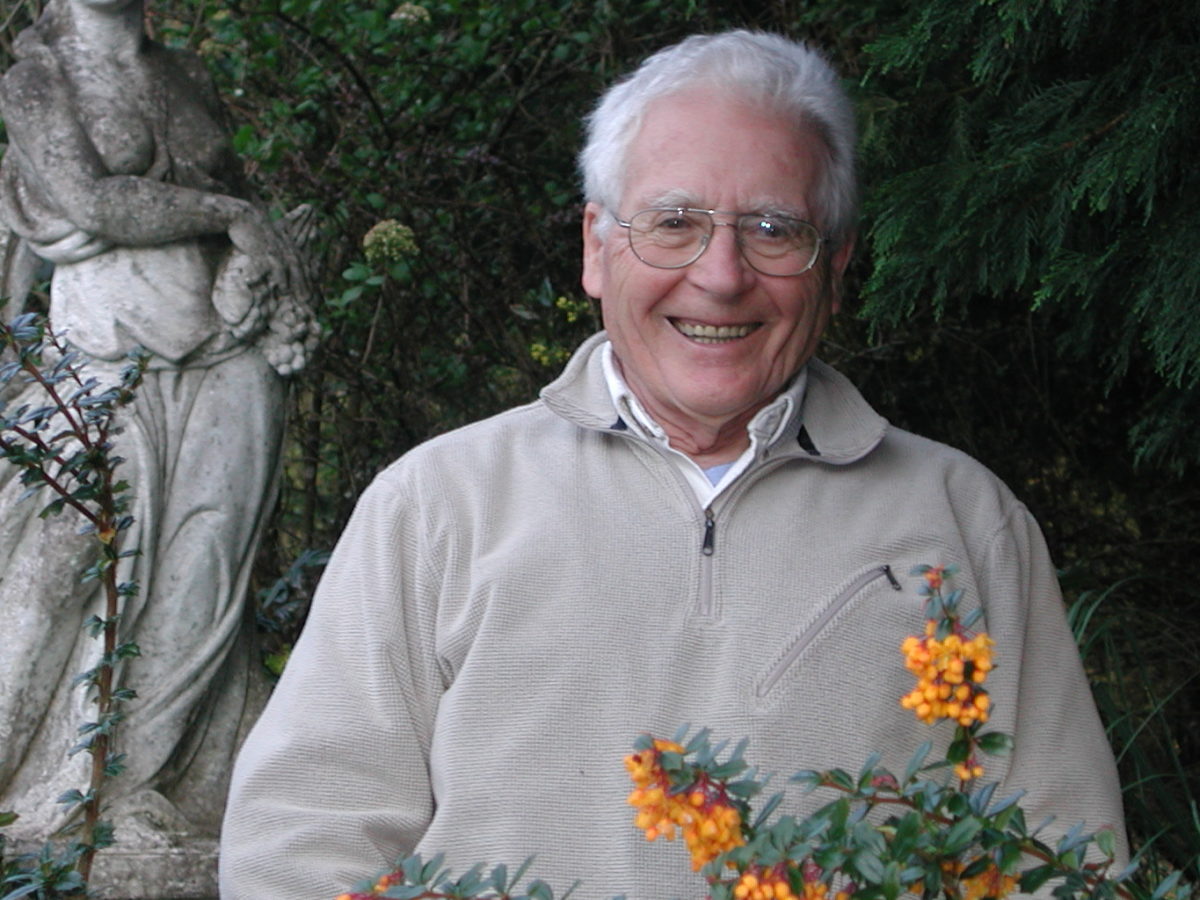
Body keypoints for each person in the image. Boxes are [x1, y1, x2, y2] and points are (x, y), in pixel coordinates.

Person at [219, 30, 1126, 899]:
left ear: (835, 266)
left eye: (774, 229)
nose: (721, 275)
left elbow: (1061, 859)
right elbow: (301, 842)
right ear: (596, 247)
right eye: (673, 222)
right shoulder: (438, 505)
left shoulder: (966, 522)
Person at [0, 0, 316, 841]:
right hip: (102, 360)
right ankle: (46, 790)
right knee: (66, 561)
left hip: (229, 361)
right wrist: (231, 216)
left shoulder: (187, 74)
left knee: (201, 580)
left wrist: (254, 264)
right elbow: (92, 202)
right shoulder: (36, 81)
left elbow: (247, 223)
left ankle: (145, 783)